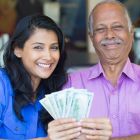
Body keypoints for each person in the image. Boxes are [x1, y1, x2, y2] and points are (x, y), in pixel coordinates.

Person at [47, 0, 140, 140]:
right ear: (91, 37)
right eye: (100, 29)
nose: (109, 35)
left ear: (131, 33)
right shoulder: (72, 84)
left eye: (117, 27)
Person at [0, 14, 67, 139]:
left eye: (54, 48)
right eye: (38, 47)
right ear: (17, 49)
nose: (48, 56)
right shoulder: (2, 84)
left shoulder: (55, 92)